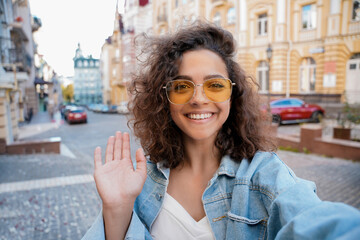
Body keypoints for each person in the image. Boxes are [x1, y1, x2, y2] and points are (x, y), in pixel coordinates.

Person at [83, 21, 360, 240]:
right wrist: (117, 208)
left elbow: (312, 218)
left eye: (215, 85)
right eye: (182, 86)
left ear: (232, 95)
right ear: (163, 99)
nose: (199, 98)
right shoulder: (142, 182)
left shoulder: (264, 175)